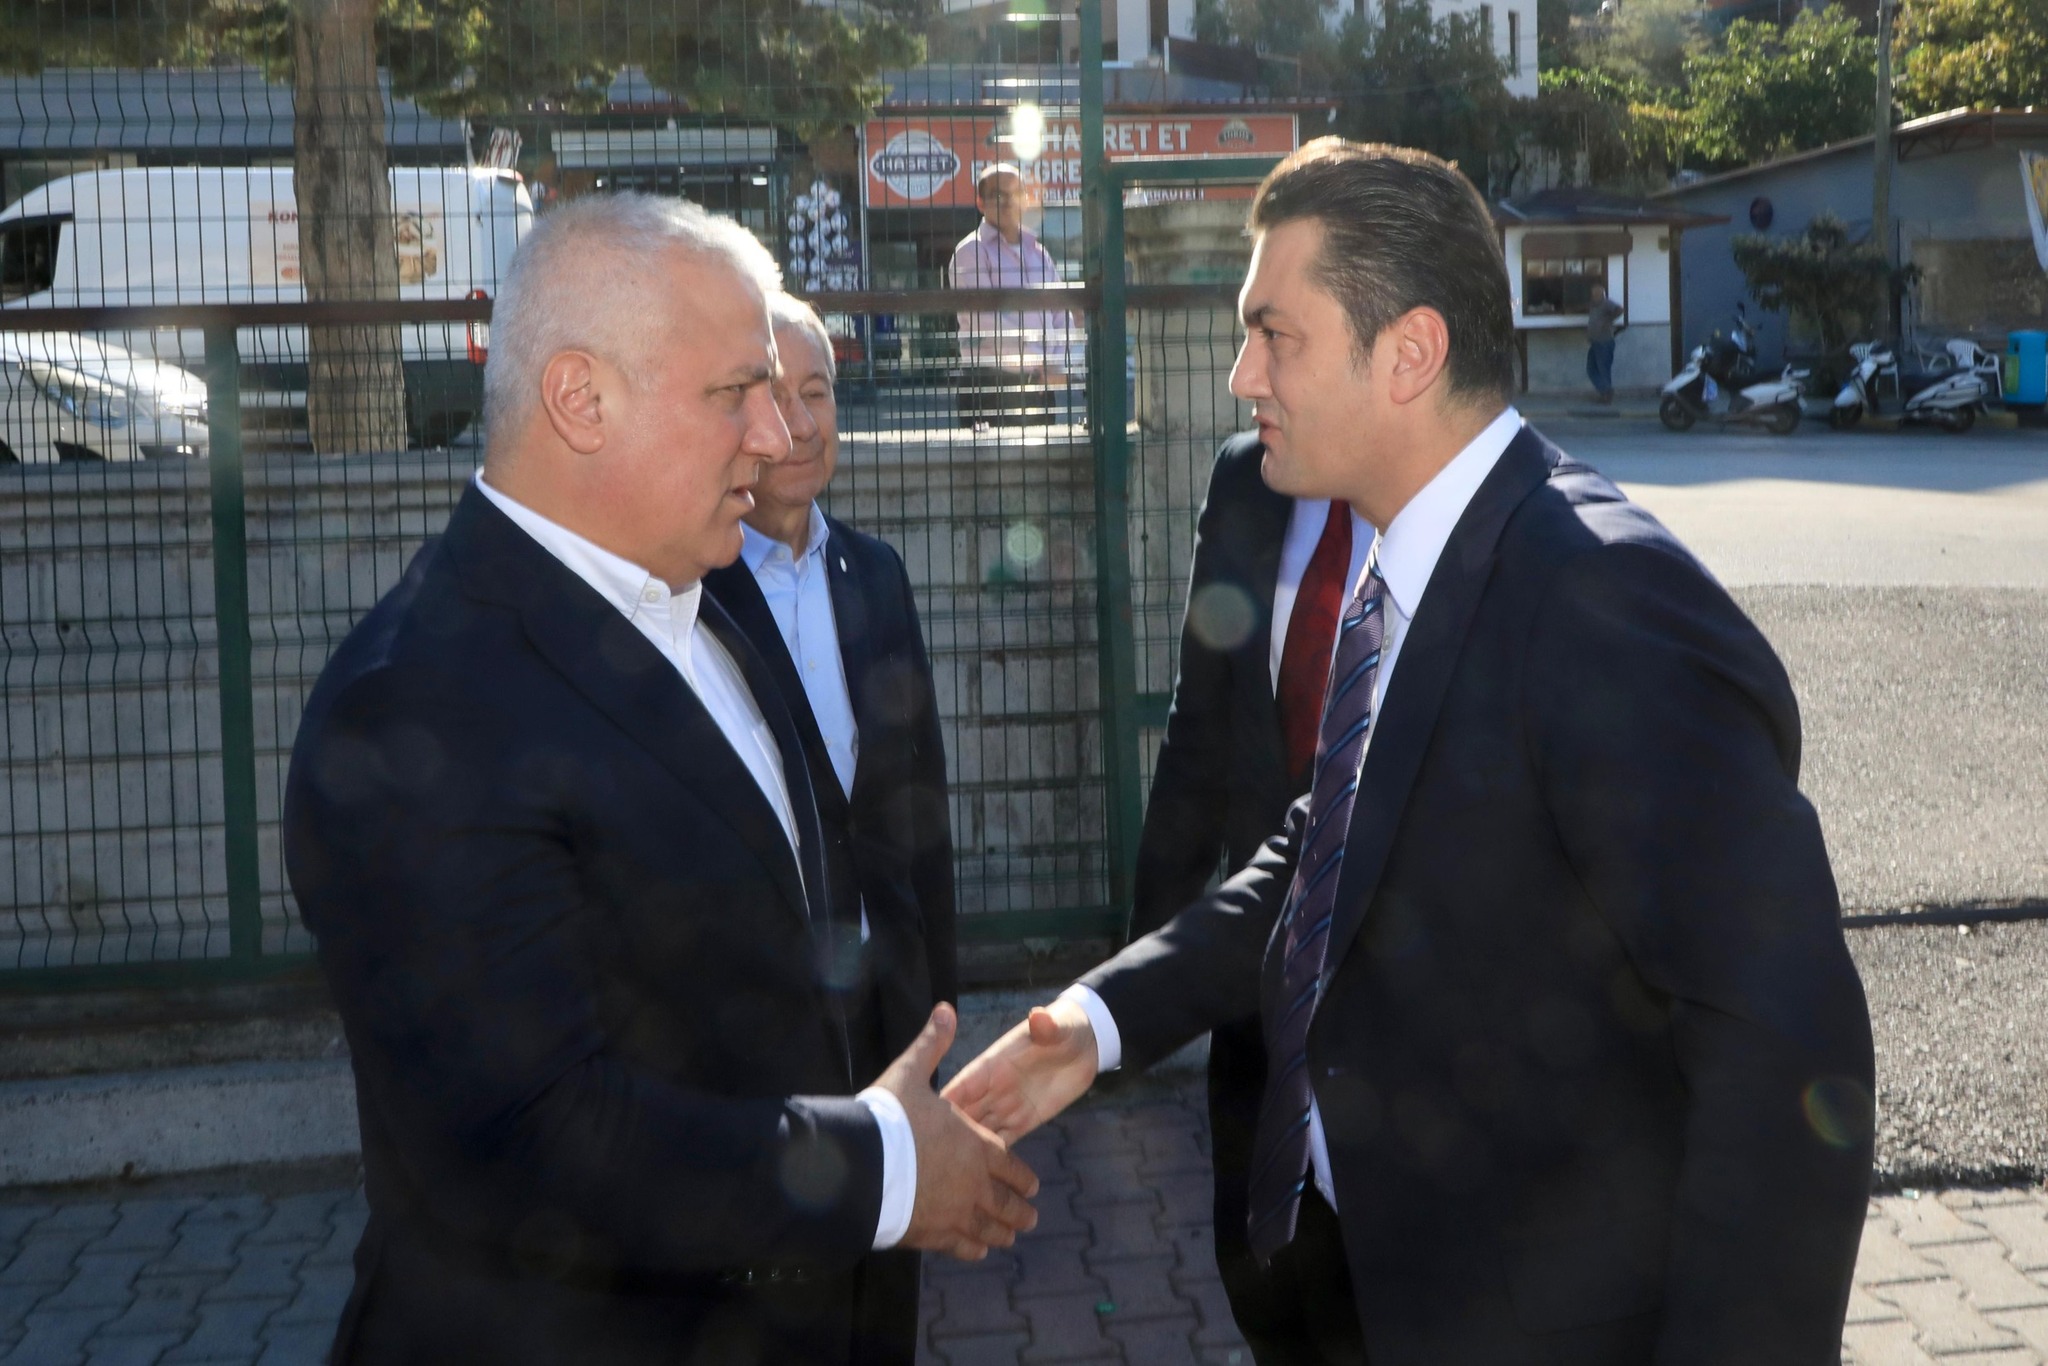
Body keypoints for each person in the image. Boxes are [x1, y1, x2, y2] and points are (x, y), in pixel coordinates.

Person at [947, 140, 1875, 1366]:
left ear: (1409, 353)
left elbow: (1780, 1053)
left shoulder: (1604, 604)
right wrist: (1097, 1019)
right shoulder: (1408, 560)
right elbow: (1324, 848)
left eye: (1274, 336)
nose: (1240, 376)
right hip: (1367, 1284)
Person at [284, 193, 1038, 1366]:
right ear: (579, 399)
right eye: (733, 392)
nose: (774, 437)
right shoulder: (416, 704)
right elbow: (526, 1140)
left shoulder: (707, 589)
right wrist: (880, 1166)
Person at [704, 293, 960, 1364]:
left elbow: (917, 799)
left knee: (884, 1290)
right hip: (764, 1026)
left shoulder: (876, 573)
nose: (803, 424)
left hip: (886, 1007)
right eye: (777, 394)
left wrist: (937, 999)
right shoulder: (694, 593)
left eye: (820, 393)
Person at [1133, 436, 1371, 1363]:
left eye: (1278, 354)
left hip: (1396, 998)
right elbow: (1199, 727)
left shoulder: (1451, 499)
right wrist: (1146, 980)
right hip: (1257, 976)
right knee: (1261, 1276)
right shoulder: (1248, 477)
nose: (1245, 375)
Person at [947, 163, 1081, 420]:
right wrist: (1042, 362)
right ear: (980, 202)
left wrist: (1056, 364)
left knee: (1046, 448)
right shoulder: (971, 252)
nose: (1008, 201)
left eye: (1016, 193)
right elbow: (985, 321)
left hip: (1039, 385)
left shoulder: (1039, 254)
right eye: (998, 194)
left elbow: (1061, 314)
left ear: (1026, 200)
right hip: (990, 385)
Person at [1586, 281, 1625, 403]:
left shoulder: (1606, 303)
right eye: (1593, 293)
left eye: (1597, 293)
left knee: (1603, 369)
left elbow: (1620, 309)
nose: (1595, 295)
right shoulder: (1593, 305)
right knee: (1591, 369)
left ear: (1602, 294)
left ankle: (1606, 395)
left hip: (1604, 342)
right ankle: (1605, 390)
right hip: (1595, 342)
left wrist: (1608, 320)